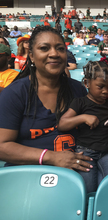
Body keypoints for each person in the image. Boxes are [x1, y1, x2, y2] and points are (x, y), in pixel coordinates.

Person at [0, 26, 95, 170]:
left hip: (76, 171)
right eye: (44, 48)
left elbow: (91, 127)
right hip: (28, 174)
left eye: (60, 49)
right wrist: (50, 157)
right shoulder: (14, 93)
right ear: (31, 55)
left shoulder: (78, 89)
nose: (54, 54)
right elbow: (2, 146)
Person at [58, 60, 108, 193]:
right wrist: (83, 117)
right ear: (86, 83)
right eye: (100, 86)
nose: (105, 91)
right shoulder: (80, 103)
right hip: (86, 151)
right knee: (87, 188)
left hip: (107, 152)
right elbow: (62, 124)